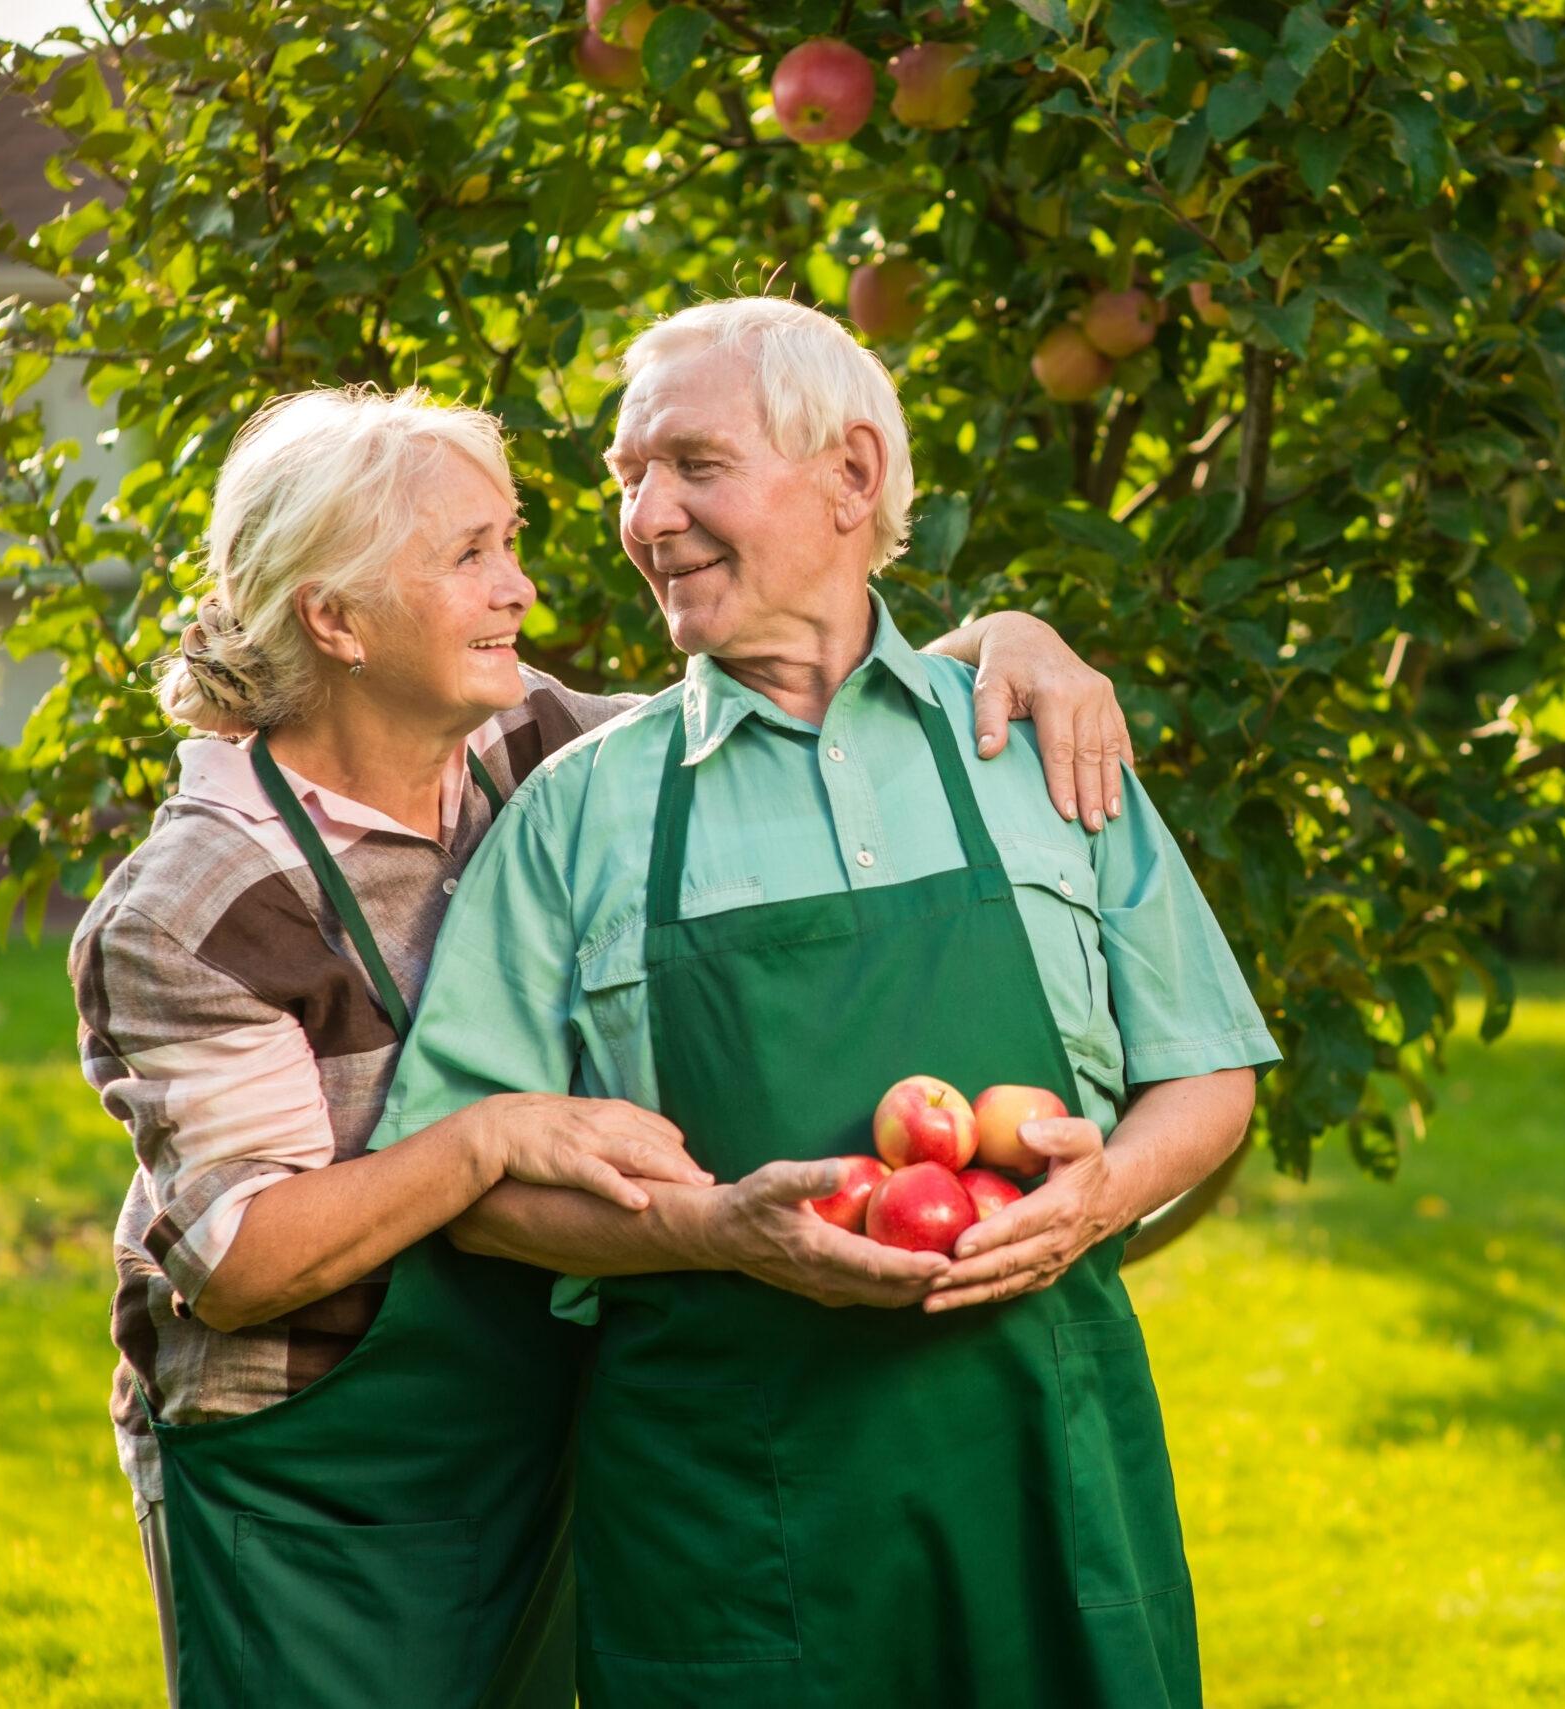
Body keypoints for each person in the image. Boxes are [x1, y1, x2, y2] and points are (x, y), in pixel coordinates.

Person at [68, 383, 1135, 1709]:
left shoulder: (537, 750)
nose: (519, 588)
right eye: (469, 555)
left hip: (531, 1404)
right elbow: (239, 1261)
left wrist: (1012, 640)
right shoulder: (199, 906)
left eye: (509, 538)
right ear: (333, 620)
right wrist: (490, 1136)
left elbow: (798, 692)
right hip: (313, 1470)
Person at [375, 297, 1280, 1709]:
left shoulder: (1039, 749)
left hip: (1048, 1474)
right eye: (628, 478)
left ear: (853, 477)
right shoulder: (580, 814)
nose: (646, 517)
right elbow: (464, 1177)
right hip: (731, 1516)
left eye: (692, 465)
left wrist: (1099, 1200)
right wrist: (709, 1232)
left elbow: (1210, 1071)